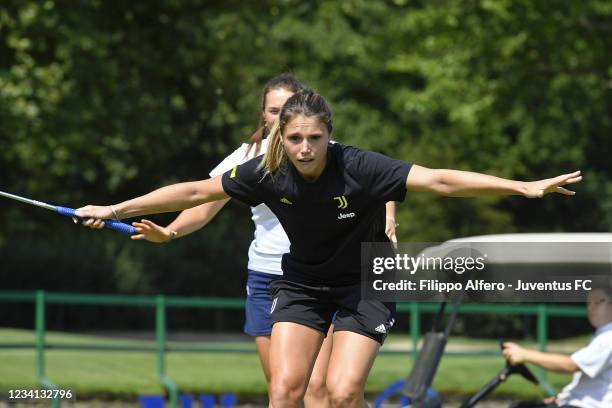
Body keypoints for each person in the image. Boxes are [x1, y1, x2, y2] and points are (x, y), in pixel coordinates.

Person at [76, 89, 581, 408]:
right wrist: (115, 209)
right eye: (294, 137)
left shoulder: (359, 167)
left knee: (340, 394)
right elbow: (193, 192)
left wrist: (522, 187)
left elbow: (441, 181)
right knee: (284, 391)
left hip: (365, 282)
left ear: (328, 135)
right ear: (282, 137)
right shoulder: (267, 172)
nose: (303, 148)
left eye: (313, 137)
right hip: (302, 285)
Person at [125, 74, 397, 407]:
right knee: (280, 390)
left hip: (320, 276)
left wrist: (389, 221)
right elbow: (201, 201)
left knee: (320, 389)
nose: (281, 114)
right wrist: (169, 232)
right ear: (266, 116)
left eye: (288, 107)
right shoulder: (247, 160)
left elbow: (380, 181)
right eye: (273, 109)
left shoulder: (315, 147)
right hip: (267, 275)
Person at [503, 284, 612, 408]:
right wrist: (561, 398)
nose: (591, 307)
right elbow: (588, 383)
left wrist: (525, 355)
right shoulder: (601, 336)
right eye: (588, 303)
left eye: (598, 302)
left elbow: (570, 365)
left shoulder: (608, 337)